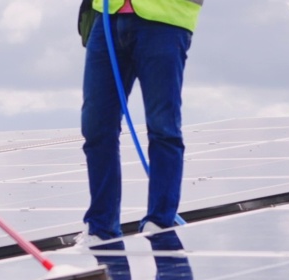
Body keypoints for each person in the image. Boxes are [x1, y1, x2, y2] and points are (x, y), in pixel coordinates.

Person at [80, 0, 202, 242]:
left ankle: (160, 220)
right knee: (96, 127)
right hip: (107, 17)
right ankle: (101, 227)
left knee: (162, 127)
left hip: (166, 18)